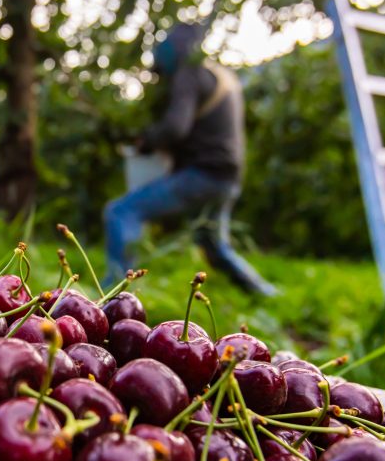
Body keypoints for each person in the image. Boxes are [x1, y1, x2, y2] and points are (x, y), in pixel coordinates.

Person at [103, 22, 278, 296]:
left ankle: (114, 292)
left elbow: (175, 127)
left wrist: (147, 141)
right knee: (214, 246)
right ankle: (266, 293)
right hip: (227, 178)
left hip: (202, 175)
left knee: (122, 212)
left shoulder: (189, 73)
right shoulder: (221, 76)